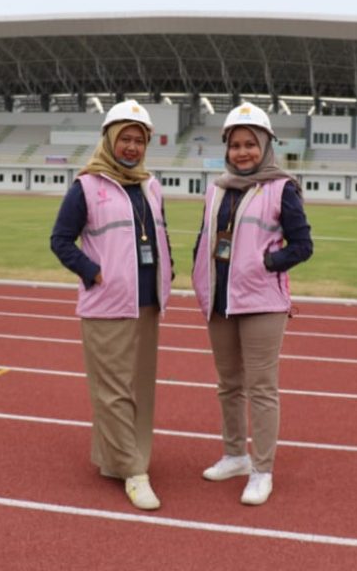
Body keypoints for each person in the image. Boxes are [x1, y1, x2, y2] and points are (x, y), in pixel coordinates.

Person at [50, 99, 172, 511]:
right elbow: (61, 240)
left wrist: (166, 278)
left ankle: (114, 460)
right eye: (125, 139)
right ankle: (134, 472)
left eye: (139, 140)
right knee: (114, 391)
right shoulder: (87, 186)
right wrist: (92, 272)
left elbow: (159, 238)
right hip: (107, 303)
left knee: (139, 389)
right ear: (109, 140)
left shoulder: (150, 185)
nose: (132, 147)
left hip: (148, 301)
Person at [191, 102, 313, 506]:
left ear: (265, 146)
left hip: (261, 301)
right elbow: (206, 238)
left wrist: (267, 262)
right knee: (228, 385)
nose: (243, 152)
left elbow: (303, 246)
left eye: (250, 144)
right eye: (236, 145)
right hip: (220, 301)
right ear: (226, 148)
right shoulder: (217, 188)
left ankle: (262, 469)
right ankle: (234, 455)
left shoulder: (282, 187)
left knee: (261, 388)